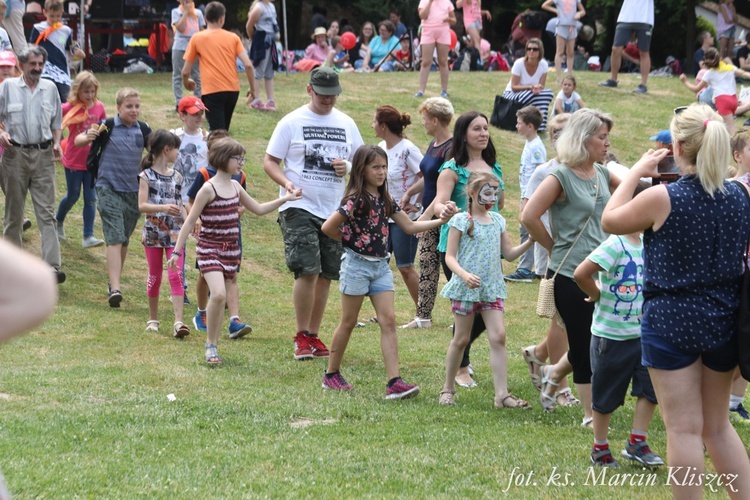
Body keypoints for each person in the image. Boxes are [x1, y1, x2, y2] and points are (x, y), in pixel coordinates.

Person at [600, 102, 750, 497]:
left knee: (683, 428)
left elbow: (610, 219)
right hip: (724, 320)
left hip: (671, 322)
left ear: (678, 148)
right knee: (718, 426)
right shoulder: (739, 196)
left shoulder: (665, 198)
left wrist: (635, 170)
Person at [320, 144, 456, 398]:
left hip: (381, 266)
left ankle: (394, 381)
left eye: (384, 166)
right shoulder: (355, 200)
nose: (381, 172)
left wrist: (442, 221)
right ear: (362, 169)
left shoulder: (386, 198)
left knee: (389, 321)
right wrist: (350, 241)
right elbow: (328, 227)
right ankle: (331, 375)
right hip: (357, 266)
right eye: (375, 167)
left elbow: (410, 227)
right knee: (348, 321)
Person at [522, 109, 620, 424]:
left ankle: (552, 372)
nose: (607, 143)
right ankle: (590, 414)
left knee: (601, 339)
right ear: (582, 139)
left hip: (602, 270)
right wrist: (553, 247)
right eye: (601, 137)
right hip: (569, 274)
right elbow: (528, 217)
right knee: (584, 340)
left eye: (607, 137)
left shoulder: (603, 174)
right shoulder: (560, 176)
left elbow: (636, 190)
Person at [169, 137, 301, 364]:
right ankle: (210, 346)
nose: (241, 162)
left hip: (231, 251)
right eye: (237, 158)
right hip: (209, 249)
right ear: (222, 159)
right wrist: (176, 252)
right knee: (219, 294)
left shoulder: (236, 187)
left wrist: (286, 199)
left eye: (242, 158)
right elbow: (190, 221)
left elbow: (258, 209)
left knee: (220, 299)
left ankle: (213, 343)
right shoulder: (207, 189)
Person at [263, 66, 364, 361]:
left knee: (326, 274)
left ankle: (313, 335)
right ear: (309, 90)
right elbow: (270, 161)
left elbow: (361, 161)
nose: (328, 101)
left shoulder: (346, 123)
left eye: (333, 96)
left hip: (333, 209)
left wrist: (348, 167)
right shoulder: (291, 121)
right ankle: (301, 335)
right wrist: (286, 184)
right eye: (322, 95)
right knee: (308, 269)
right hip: (298, 205)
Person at [439, 170, 533, 408]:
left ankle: (502, 395)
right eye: (487, 192)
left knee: (498, 336)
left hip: (491, 287)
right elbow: (450, 258)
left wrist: (530, 242)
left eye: (495, 192)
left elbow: (509, 255)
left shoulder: (499, 221)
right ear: (471, 193)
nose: (492, 197)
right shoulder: (460, 221)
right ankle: (447, 388)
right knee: (461, 339)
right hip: (466, 288)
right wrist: (464, 275)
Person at [574, 223, 664, 468]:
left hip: (642, 335)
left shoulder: (646, 243)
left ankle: (637, 442)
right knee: (605, 395)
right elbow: (581, 273)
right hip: (611, 337)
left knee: (650, 389)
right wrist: (596, 294)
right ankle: (600, 448)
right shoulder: (615, 245)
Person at [433, 111, 504, 388]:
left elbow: (500, 203)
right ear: (463, 134)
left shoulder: (493, 167)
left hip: (487, 247)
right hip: (459, 249)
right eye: (477, 129)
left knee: (489, 307)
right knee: (467, 309)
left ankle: (460, 352)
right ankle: (461, 367)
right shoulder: (452, 168)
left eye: (486, 128)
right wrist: (448, 208)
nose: (483, 133)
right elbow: (440, 202)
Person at [520, 113, 578, 406]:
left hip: (583, 253)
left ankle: (539, 354)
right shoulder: (546, 172)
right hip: (557, 254)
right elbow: (526, 213)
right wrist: (551, 246)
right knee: (563, 319)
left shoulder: (589, 169)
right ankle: (561, 384)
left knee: (568, 318)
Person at [76, 87, 152, 307]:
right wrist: (87, 136)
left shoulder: (144, 129)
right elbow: (80, 140)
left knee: (124, 239)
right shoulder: (106, 126)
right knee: (115, 236)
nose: (134, 110)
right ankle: (116, 288)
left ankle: (113, 282)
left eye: (137, 106)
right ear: (118, 107)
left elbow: (156, 150)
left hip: (133, 192)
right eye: (129, 106)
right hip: (107, 187)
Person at [0, 45, 65, 284]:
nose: (37, 69)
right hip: (14, 155)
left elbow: (57, 121)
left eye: (40, 65)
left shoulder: (50, 88)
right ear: (21, 65)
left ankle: (52, 268)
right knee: (14, 214)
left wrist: (57, 142)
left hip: (44, 155)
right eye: (32, 64)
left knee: (47, 213)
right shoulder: (7, 87)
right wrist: (1, 134)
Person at [186, 129, 253, 340]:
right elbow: (191, 201)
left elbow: (244, 201)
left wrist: (241, 208)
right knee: (205, 276)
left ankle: (234, 319)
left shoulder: (239, 177)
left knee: (232, 275)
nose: (240, 161)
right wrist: (195, 218)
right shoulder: (205, 176)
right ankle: (201, 312)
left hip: (231, 233)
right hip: (210, 236)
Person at [401, 97, 454, 330]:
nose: (422, 123)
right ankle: (423, 317)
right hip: (429, 213)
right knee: (426, 263)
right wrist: (411, 192)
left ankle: (461, 315)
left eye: (424, 119)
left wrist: (425, 216)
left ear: (435, 119)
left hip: (444, 214)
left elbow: (445, 185)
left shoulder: (452, 148)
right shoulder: (434, 144)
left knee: (448, 265)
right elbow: (428, 177)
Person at [138, 130, 191, 338]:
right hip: (153, 234)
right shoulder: (146, 176)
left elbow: (181, 203)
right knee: (155, 276)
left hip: (176, 235)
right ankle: (153, 319)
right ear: (167, 150)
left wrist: (189, 222)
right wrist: (163, 208)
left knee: (175, 275)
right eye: (176, 148)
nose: (178, 153)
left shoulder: (177, 176)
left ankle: (179, 322)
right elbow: (142, 205)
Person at [372, 105, 424, 316]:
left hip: (404, 218)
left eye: (375, 121)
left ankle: (423, 311)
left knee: (405, 266)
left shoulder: (407, 149)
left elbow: (428, 177)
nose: (372, 125)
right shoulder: (380, 148)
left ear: (383, 126)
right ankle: (382, 313)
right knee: (380, 265)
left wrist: (417, 203)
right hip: (384, 217)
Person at [182, 1, 256, 132]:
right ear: (222, 19)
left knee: (217, 133)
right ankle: (223, 150)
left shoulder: (197, 38)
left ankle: (219, 151)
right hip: (232, 90)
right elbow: (248, 65)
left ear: (205, 19)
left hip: (212, 90)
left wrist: (186, 81)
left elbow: (185, 71)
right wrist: (252, 89)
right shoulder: (233, 38)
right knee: (223, 129)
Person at [56, 70, 106, 249]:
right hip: (73, 160)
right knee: (73, 195)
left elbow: (103, 126)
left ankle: (88, 236)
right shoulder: (68, 108)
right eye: (86, 92)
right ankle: (58, 221)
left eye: (92, 91)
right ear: (77, 90)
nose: (90, 95)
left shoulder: (99, 107)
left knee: (91, 198)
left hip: (91, 161)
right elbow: (55, 122)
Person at [506, 105, 545, 283]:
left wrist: (530, 199)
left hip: (532, 195)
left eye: (519, 123)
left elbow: (540, 174)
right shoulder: (530, 144)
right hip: (526, 193)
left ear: (530, 126)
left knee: (526, 229)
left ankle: (525, 268)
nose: (516, 126)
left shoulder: (536, 147)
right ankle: (529, 266)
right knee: (525, 229)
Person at [679, 47, 750, 135]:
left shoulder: (709, 73)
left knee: (732, 130)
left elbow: (696, 89)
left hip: (723, 100)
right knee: (714, 118)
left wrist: (685, 82)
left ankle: (740, 146)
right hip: (733, 100)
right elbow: (743, 73)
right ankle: (704, 133)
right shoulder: (729, 67)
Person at [29, 0, 84, 102]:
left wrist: (77, 53)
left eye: (58, 16)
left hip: (61, 71)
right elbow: (32, 48)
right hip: (43, 69)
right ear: (45, 12)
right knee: (46, 99)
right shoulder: (38, 28)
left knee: (65, 100)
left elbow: (69, 49)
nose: (55, 19)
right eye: (52, 16)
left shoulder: (66, 30)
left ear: (62, 12)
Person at [598, 0, 654, 94]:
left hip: (644, 18)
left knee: (644, 52)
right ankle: (613, 80)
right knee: (616, 49)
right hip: (626, 17)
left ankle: (643, 85)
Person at [501, 38, 555, 132]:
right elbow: (514, 87)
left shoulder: (543, 64)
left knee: (548, 94)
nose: (531, 51)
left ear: (540, 51)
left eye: (535, 49)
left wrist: (537, 89)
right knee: (531, 94)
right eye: (529, 49)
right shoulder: (519, 63)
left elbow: (542, 86)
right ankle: (524, 123)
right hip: (512, 94)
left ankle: (540, 126)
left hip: (531, 93)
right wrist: (530, 87)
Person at [415, 0, 455, 97]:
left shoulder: (447, 2)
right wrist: (430, 2)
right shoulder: (424, 1)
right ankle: (421, 90)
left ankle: (444, 90)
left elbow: (454, 20)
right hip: (428, 31)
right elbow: (422, 16)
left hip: (443, 31)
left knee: (443, 61)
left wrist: (449, 19)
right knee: (426, 62)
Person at [171, 0, 205, 112]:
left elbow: (201, 31)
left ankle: (198, 101)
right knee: (178, 74)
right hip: (180, 45)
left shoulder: (198, 13)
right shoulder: (175, 11)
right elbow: (180, 28)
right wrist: (185, 12)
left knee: (196, 74)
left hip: (195, 45)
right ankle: (179, 102)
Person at [541, 0, 585, 86]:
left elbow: (583, 11)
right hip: (561, 25)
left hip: (572, 26)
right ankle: (559, 77)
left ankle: (569, 76)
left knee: (570, 52)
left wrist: (579, 14)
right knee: (560, 51)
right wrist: (556, 10)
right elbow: (544, 5)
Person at [246, 0, 279, 112]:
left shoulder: (271, 6)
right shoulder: (259, 8)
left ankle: (270, 99)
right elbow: (249, 26)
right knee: (259, 70)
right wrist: (254, 39)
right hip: (261, 40)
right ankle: (255, 99)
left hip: (271, 40)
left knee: (269, 71)